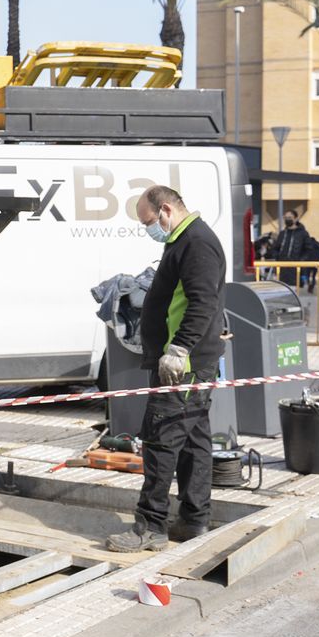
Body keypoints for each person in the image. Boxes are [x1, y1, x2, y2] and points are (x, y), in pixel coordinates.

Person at [107, 185, 227, 553]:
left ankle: (151, 526)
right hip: (189, 361)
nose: (148, 229)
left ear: (165, 210)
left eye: (148, 222)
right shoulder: (183, 240)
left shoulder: (196, 242)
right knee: (193, 441)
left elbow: (202, 299)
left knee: (161, 438)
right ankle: (194, 519)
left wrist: (180, 348)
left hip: (182, 366)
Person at [272, 210, 316, 291]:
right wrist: (276, 256)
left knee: (293, 290)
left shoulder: (303, 233)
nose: (287, 219)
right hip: (282, 267)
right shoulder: (282, 233)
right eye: (286, 218)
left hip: (296, 268)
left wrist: (301, 260)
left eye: (290, 217)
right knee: (281, 288)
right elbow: (276, 248)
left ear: (295, 219)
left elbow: (309, 249)